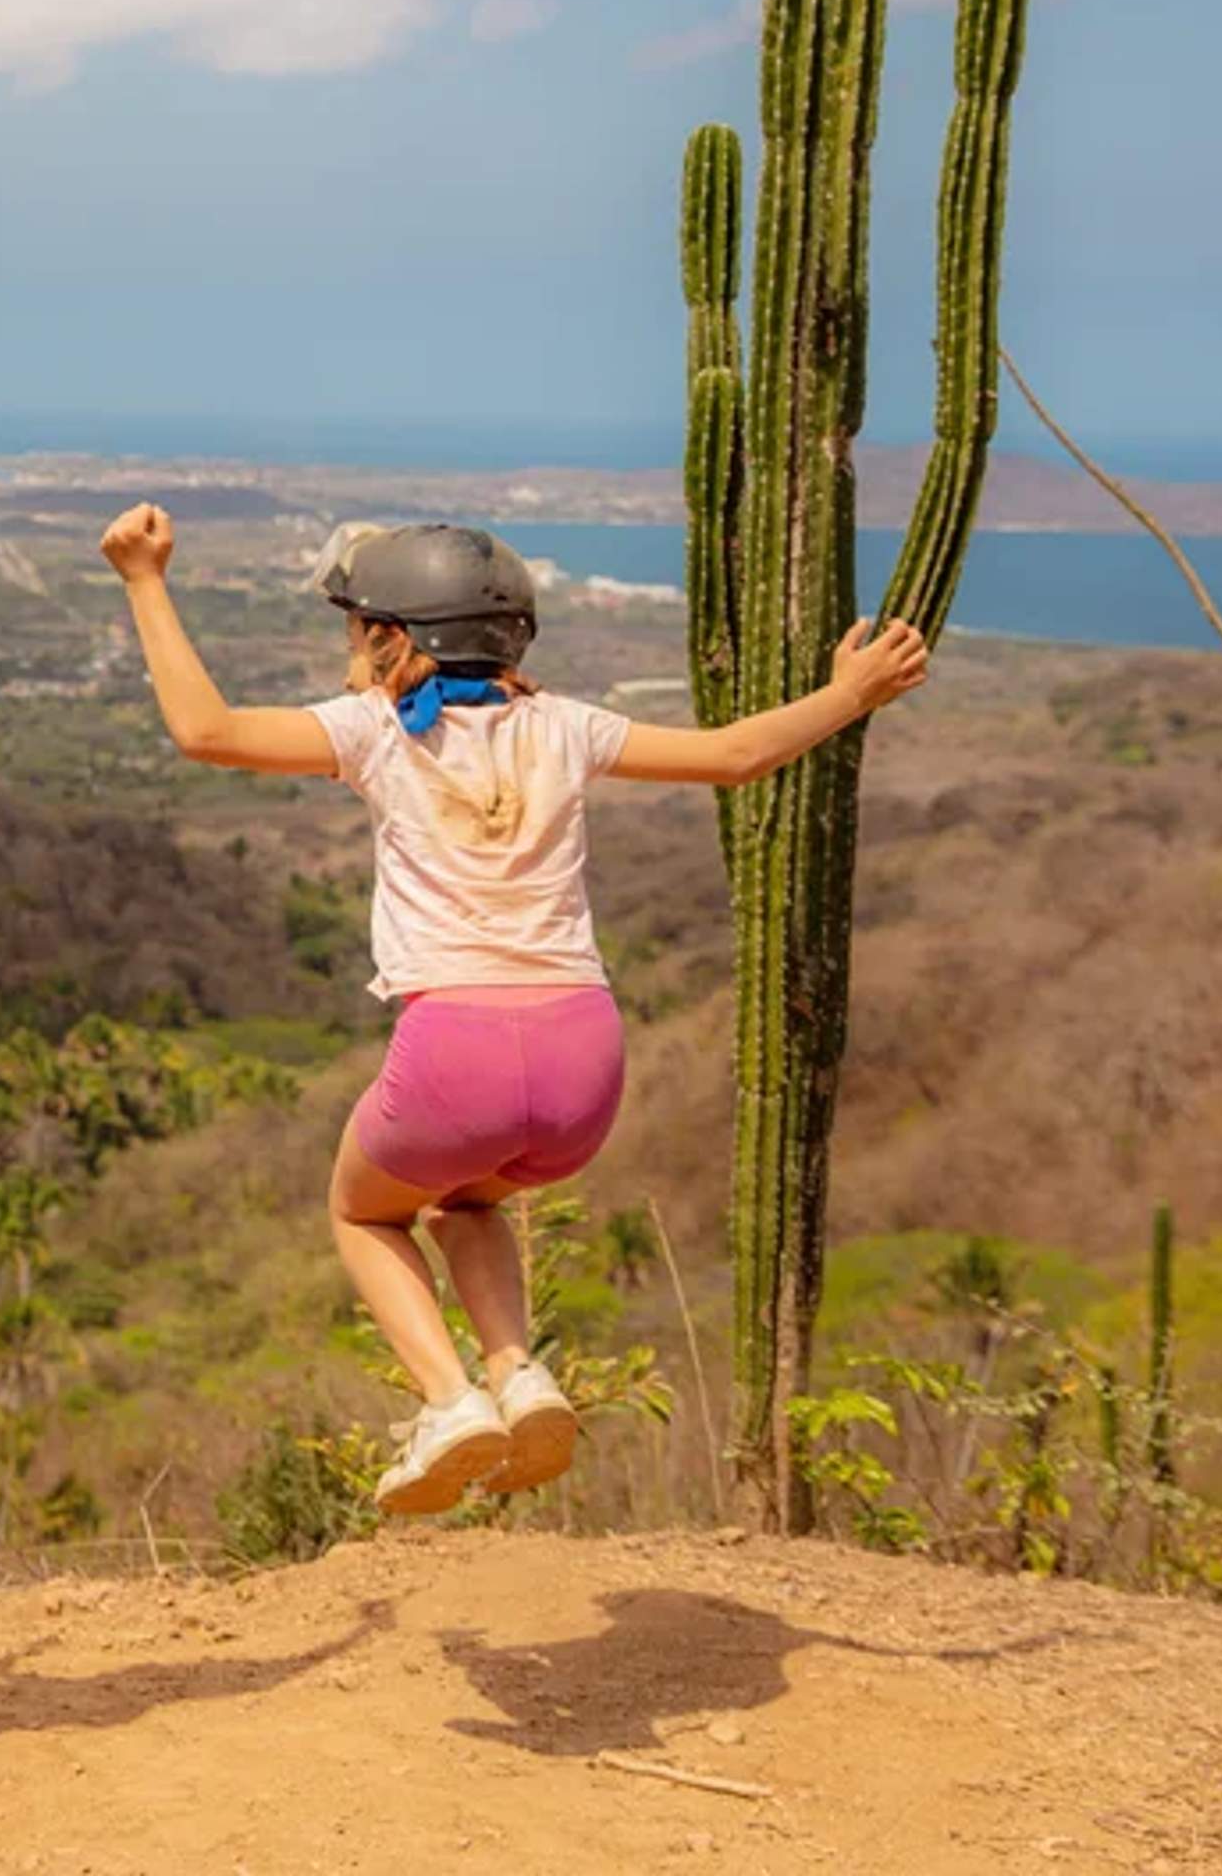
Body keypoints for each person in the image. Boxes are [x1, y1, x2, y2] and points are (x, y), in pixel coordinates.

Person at [98, 508, 930, 1514]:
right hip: (586, 1060)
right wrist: (848, 694)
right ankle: (519, 1373)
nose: (350, 645)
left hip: (457, 1051)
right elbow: (737, 755)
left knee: (362, 1213)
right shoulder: (567, 725)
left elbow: (207, 731)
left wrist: (146, 580)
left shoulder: (369, 733)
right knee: (470, 1201)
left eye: (358, 627)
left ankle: (451, 1403)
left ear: (394, 638)